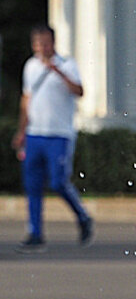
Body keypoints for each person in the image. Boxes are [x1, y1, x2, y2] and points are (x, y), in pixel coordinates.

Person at [10, 24, 92, 252]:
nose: (41, 48)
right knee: (33, 185)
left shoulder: (67, 64)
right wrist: (21, 130)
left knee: (58, 182)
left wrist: (58, 72)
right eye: (37, 43)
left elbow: (79, 91)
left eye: (45, 43)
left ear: (53, 43)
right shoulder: (31, 66)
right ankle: (35, 233)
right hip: (35, 134)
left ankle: (82, 216)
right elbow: (27, 100)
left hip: (60, 134)